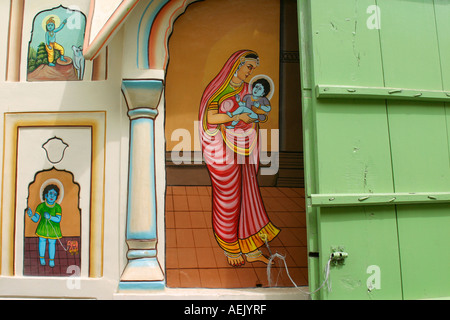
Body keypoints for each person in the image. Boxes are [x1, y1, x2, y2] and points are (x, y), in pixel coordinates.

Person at [199, 50, 280, 267]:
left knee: (248, 195)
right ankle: (230, 246)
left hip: (244, 147)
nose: (251, 72)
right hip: (224, 149)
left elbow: (256, 112)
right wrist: (236, 116)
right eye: (249, 67)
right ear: (237, 65)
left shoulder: (248, 90)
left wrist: (253, 116)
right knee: (230, 195)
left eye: (253, 68)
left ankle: (250, 248)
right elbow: (211, 118)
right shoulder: (218, 88)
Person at [26, 184, 62, 268]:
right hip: (42, 228)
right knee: (42, 242)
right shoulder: (41, 206)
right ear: (46, 195)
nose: (52, 196)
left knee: (52, 243)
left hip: (53, 229)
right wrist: (31, 215)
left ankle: (51, 260)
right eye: (50, 193)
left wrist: (50, 217)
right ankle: (42, 258)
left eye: (54, 194)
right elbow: (36, 219)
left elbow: (58, 219)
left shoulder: (57, 207)